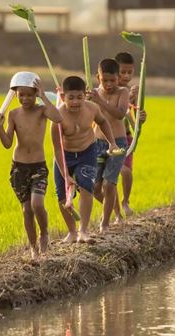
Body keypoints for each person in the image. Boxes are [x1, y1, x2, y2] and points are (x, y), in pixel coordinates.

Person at [0, 74, 62, 260]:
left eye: (29, 95)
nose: (25, 99)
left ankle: (45, 233)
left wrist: (44, 96)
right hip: (19, 169)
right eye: (21, 95)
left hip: (38, 167)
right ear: (15, 94)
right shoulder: (14, 114)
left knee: (37, 204)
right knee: (26, 210)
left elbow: (58, 117)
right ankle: (33, 248)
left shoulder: (42, 110)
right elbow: (8, 143)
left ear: (36, 93)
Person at [52, 76, 119, 243]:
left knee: (86, 187)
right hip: (64, 155)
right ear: (62, 97)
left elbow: (103, 122)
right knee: (62, 196)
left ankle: (83, 231)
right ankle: (72, 232)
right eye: (71, 98)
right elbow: (57, 149)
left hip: (87, 152)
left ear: (85, 95)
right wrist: (65, 174)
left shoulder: (92, 109)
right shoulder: (57, 118)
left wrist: (112, 142)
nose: (75, 102)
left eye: (79, 97)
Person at [89, 58, 130, 232]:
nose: (108, 84)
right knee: (95, 188)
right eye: (104, 80)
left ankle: (105, 223)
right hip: (97, 143)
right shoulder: (93, 93)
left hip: (118, 143)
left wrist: (100, 101)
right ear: (98, 78)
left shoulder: (123, 92)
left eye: (112, 80)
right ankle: (116, 212)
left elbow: (120, 114)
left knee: (109, 183)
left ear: (118, 78)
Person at [115, 51, 147, 217]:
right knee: (108, 180)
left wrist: (141, 117)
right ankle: (114, 211)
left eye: (130, 72)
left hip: (126, 138)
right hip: (107, 139)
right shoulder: (108, 91)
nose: (126, 76)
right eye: (122, 72)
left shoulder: (132, 92)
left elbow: (135, 119)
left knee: (126, 171)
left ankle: (125, 201)